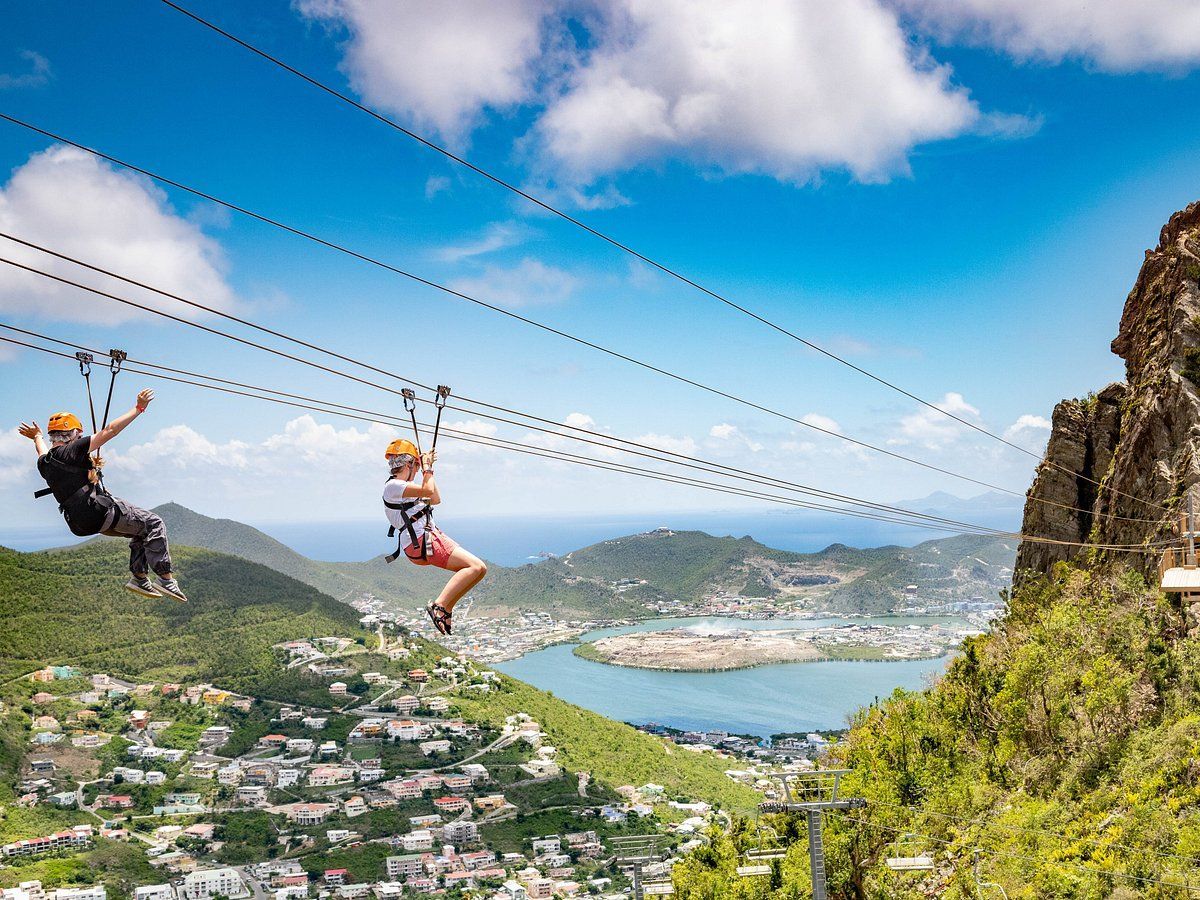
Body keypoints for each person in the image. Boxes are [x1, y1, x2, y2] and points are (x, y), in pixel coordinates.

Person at [18, 389, 188, 602]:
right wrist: (138, 409)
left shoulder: (45, 463)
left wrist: (36, 436)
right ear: (73, 435)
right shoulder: (72, 451)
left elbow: (41, 450)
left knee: (140, 531)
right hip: (99, 513)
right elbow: (110, 430)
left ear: (54, 437)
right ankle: (166, 580)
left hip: (80, 524)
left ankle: (140, 578)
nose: (81, 439)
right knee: (154, 523)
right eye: (79, 435)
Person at [382, 439, 486, 635]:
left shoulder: (405, 488)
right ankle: (440, 605)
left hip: (422, 541)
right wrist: (427, 468)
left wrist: (427, 471)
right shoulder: (394, 486)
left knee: (478, 570)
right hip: (423, 540)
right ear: (409, 464)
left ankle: (445, 608)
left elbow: (435, 498)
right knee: (476, 567)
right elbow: (429, 491)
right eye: (416, 464)